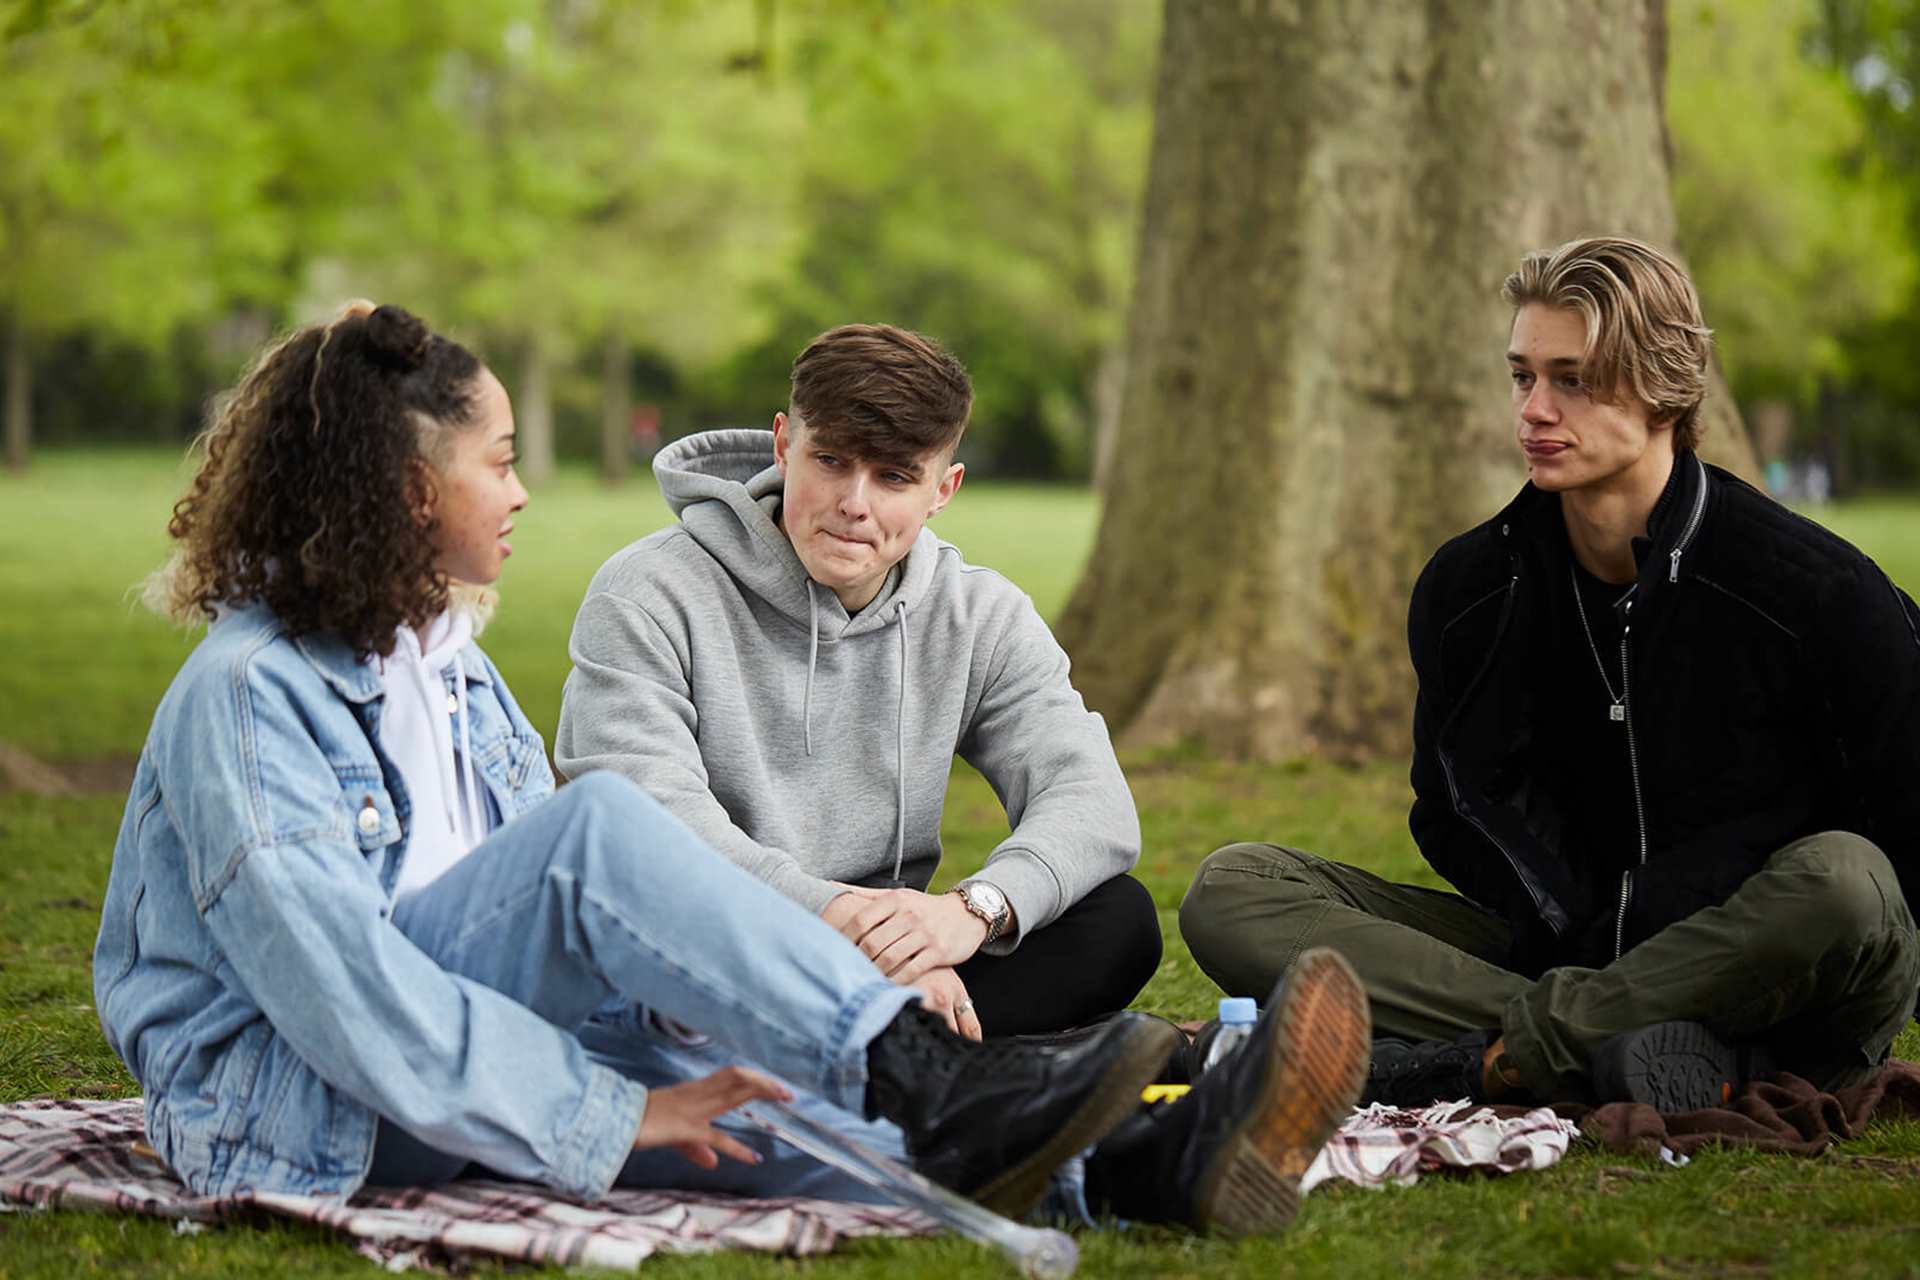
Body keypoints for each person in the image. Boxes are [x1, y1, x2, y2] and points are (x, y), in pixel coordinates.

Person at [92, 302, 1367, 1237]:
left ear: (944, 489)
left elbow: (548, 935)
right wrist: (609, 1114)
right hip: (301, 1099)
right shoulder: (253, 696)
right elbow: (350, 997)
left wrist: (912, 939)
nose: (525, 490)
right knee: (601, 838)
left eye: (895, 475)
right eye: (500, 459)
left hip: (518, 1023)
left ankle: (1147, 1159)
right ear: (405, 489)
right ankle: (944, 1082)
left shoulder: (448, 663)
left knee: (767, 1110)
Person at [1178, 237, 1920, 1112]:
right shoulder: (1468, 592)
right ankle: (1636, 1049)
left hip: (1788, 976)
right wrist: (1574, 920)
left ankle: (1509, 1055)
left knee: (1843, 880)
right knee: (1234, 889)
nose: (1534, 409)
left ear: (1663, 386)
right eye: (1522, 376)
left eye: (1573, 379)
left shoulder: (1815, 590)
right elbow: (1446, 812)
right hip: (1568, 953)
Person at [555, 324, 1160, 1040]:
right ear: (784, 445)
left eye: (895, 477)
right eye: (832, 461)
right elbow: (647, 821)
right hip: (722, 941)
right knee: (665, 927)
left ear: (944, 489)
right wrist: (843, 922)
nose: (855, 502)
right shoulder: (648, 591)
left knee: (1116, 920)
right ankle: (930, 1065)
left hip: (886, 960)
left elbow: (1092, 800)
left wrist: (969, 913)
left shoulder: (978, 614)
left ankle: (900, 1058)